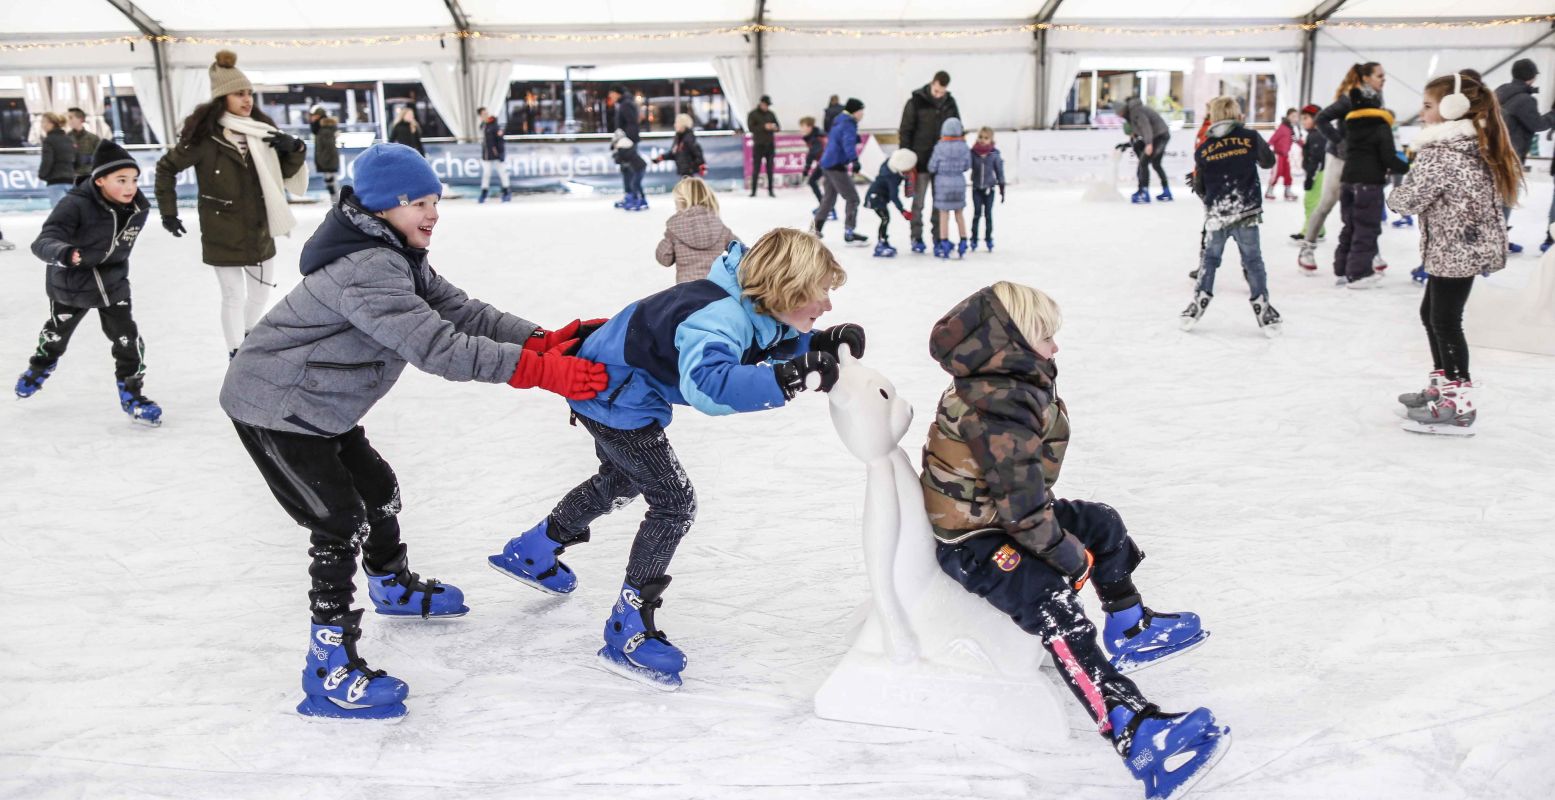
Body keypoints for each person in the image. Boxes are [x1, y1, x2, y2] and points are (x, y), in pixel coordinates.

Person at [221, 143, 608, 719]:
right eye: (418, 203)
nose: (432, 213)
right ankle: (327, 668)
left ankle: (391, 586)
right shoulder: (366, 267)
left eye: (435, 201)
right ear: (382, 207)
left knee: (379, 489)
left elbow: (461, 311)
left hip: (321, 407)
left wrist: (543, 339)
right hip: (276, 407)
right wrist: (544, 370)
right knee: (338, 520)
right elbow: (437, 347)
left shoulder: (393, 251)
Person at [488, 228, 861, 690]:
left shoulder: (748, 304)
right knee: (673, 502)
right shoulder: (716, 316)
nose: (826, 304)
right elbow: (709, 385)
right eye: (821, 293)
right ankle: (627, 627)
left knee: (623, 479)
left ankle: (534, 548)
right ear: (787, 286)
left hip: (610, 389)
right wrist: (788, 380)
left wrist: (816, 343)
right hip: (614, 397)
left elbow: (765, 339)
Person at [923, 282, 1228, 800]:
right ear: (1014, 341)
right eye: (1046, 337)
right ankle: (1137, 734)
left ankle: (1130, 626)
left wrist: (1072, 539)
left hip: (998, 514)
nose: (1055, 349)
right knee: (1056, 607)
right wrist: (1068, 555)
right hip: (973, 539)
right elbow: (1022, 509)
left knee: (1102, 522)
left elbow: (1021, 498)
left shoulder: (1004, 381)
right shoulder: (998, 402)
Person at [155, 50, 308, 358]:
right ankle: (236, 351)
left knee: (260, 293)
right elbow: (166, 168)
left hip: (259, 228)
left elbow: (284, 175)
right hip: (221, 229)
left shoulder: (264, 133)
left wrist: (295, 149)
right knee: (233, 295)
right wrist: (168, 213)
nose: (247, 99)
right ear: (222, 97)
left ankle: (249, 335)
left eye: (250, 93)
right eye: (239, 93)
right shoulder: (204, 139)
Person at [1389, 73, 1519, 435]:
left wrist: (1394, 194)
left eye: (1428, 105)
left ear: (1451, 110)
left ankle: (1459, 406)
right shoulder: (1472, 145)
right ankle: (1442, 388)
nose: (1422, 111)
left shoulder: (1442, 153)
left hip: (1456, 249)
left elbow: (1409, 200)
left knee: (1445, 321)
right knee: (1431, 314)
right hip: (1457, 245)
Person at [15, 140, 159, 424]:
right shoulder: (74, 205)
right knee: (57, 335)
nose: (130, 187)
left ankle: (132, 393)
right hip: (71, 283)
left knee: (127, 338)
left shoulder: (137, 209)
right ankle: (40, 366)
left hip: (112, 283)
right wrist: (65, 253)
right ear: (100, 180)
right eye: (121, 180)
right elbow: (43, 241)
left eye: (134, 179)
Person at [1180, 96, 1281, 336]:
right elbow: (1268, 162)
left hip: (1217, 212)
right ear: (1237, 115)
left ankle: (1199, 299)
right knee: (1253, 260)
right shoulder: (1250, 138)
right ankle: (1261, 304)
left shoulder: (1204, 147)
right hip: (1246, 211)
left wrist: (1213, 200)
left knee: (1210, 259)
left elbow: (1200, 185)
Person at [1299, 62, 1386, 272]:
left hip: (1362, 159)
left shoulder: (1377, 99)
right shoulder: (1349, 98)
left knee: (1364, 206)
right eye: (1379, 76)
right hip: (1340, 158)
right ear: (1366, 78)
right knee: (1327, 203)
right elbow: (1322, 119)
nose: (1383, 79)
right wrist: (1341, 142)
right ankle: (1307, 248)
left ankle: (1371, 251)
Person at [1333, 89, 1409, 289]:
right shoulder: (1380, 126)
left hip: (1347, 182)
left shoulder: (1350, 125)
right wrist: (1407, 164)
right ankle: (1358, 274)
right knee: (1366, 228)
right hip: (1368, 184)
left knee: (1349, 226)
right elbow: (1388, 157)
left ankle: (1342, 270)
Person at [1494, 58, 1555, 253]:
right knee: (1507, 197)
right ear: (1531, 77)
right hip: (1512, 155)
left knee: (1497, 198)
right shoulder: (1525, 100)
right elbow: (1537, 124)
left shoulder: (1500, 92)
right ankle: (1497, 241)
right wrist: (1553, 115)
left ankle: (1494, 237)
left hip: (1496, 153)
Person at [899, 71, 961, 252]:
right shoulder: (915, 101)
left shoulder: (950, 103)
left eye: (942, 92)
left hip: (942, 163)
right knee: (918, 202)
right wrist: (906, 157)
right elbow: (906, 130)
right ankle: (916, 237)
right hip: (920, 161)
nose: (939, 95)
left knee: (939, 203)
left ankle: (938, 237)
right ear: (932, 83)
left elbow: (957, 127)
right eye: (936, 91)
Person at [655, 176, 736, 283]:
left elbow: (664, 259)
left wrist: (668, 238)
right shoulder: (719, 226)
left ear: (681, 201)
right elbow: (740, 253)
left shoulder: (675, 229)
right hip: (716, 287)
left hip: (687, 290)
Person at [813, 98, 869, 246]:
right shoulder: (848, 124)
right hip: (836, 165)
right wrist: (854, 160)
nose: (862, 114)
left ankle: (814, 231)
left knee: (829, 199)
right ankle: (849, 231)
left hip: (827, 163)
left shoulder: (839, 121)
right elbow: (847, 144)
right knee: (853, 198)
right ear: (854, 111)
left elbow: (838, 139)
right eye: (861, 111)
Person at [1113, 96, 1171, 203]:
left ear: (1121, 111)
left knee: (1144, 163)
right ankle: (1162, 191)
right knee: (1154, 164)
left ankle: (1144, 192)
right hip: (1156, 136)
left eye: (1118, 114)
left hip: (1160, 136)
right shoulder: (1130, 114)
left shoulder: (1135, 111)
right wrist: (1126, 143)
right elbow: (1138, 131)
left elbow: (1145, 126)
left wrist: (1149, 144)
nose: (1119, 116)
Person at [928, 117, 972, 259]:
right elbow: (967, 165)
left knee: (944, 215)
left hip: (942, 184)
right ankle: (963, 241)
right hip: (959, 183)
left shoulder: (939, 146)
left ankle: (944, 242)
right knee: (959, 214)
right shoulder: (964, 146)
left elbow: (932, 166)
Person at [864, 148, 917, 258]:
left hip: (879, 197)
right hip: (875, 198)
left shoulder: (890, 165)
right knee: (885, 219)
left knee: (885, 219)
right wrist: (902, 211)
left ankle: (884, 242)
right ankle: (880, 245)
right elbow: (894, 196)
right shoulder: (891, 176)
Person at [607, 85, 646, 211]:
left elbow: (632, 124)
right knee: (626, 168)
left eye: (611, 93)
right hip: (625, 141)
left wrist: (626, 140)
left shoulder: (626, 104)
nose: (610, 97)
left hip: (628, 142)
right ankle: (630, 195)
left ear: (617, 93)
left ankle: (634, 196)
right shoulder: (623, 103)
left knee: (630, 169)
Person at [1294, 104, 1328, 242]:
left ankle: (1309, 231)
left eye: (1306, 118)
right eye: (1302, 119)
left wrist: (1310, 178)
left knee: (1310, 202)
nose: (1303, 121)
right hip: (1319, 172)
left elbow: (1316, 159)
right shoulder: (1316, 134)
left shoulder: (1316, 136)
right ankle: (1319, 230)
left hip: (1318, 173)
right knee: (1315, 202)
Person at [969, 126, 1005, 252]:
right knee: (977, 213)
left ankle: (988, 238)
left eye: (986, 138)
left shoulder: (994, 153)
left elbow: (999, 171)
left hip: (989, 189)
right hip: (977, 188)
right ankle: (974, 238)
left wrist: (1002, 187)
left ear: (991, 139)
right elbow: (967, 165)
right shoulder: (973, 152)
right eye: (980, 137)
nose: (983, 140)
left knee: (988, 215)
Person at [37, 113, 76, 207]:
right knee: (71, 211)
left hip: (55, 181)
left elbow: (47, 160)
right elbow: (76, 159)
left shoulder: (49, 140)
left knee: (58, 212)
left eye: (43, 122)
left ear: (51, 124)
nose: (42, 125)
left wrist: (42, 175)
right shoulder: (69, 139)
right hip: (70, 180)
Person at [652, 113, 705, 178]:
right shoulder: (679, 138)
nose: (675, 125)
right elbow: (674, 153)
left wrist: (700, 167)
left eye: (676, 123)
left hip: (690, 173)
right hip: (684, 172)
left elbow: (697, 153)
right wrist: (661, 158)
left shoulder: (688, 138)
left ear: (682, 124)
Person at [747, 95, 779, 197]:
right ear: (761, 103)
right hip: (758, 145)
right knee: (756, 169)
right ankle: (753, 191)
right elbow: (751, 128)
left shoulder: (771, 114)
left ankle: (770, 190)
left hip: (770, 144)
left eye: (768, 105)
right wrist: (764, 127)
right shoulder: (753, 114)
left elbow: (778, 127)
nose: (767, 107)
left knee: (770, 168)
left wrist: (774, 127)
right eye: (765, 105)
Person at [477, 106, 510, 203]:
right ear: (480, 116)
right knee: (486, 174)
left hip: (496, 155)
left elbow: (500, 140)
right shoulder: (482, 126)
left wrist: (501, 153)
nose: (486, 115)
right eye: (483, 114)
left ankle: (506, 192)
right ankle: (484, 193)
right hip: (486, 156)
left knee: (503, 173)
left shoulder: (494, 125)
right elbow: (484, 142)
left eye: (486, 113)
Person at [308, 105, 340, 203]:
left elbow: (329, 148)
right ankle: (336, 204)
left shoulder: (324, 130)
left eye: (314, 115)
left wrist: (325, 161)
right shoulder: (320, 129)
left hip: (328, 162)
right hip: (326, 161)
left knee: (331, 183)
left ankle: (337, 204)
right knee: (330, 183)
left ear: (319, 116)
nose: (312, 118)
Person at [1266, 108, 1298, 201]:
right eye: (1293, 116)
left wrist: (1303, 144)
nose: (1295, 118)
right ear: (1288, 117)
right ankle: (1269, 191)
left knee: (1287, 173)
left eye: (1296, 116)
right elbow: (1273, 139)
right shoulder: (1282, 127)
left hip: (1285, 155)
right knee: (1277, 172)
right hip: (1278, 155)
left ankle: (1287, 191)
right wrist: (1265, 148)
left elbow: (1295, 140)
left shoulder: (1291, 129)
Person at [799, 115, 828, 211]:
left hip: (828, 163)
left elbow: (812, 154)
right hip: (824, 162)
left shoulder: (816, 138)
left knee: (827, 186)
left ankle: (827, 208)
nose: (801, 129)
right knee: (813, 181)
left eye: (803, 126)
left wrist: (806, 169)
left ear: (809, 127)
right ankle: (824, 206)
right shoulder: (813, 136)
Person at [66, 107, 101, 180]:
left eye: (71, 118)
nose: (68, 120)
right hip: (70, 177)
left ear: (80, 119)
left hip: (89, 176)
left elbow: (100, 157)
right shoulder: (65, 138)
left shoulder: (93, 138)